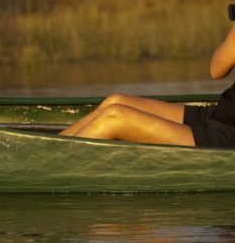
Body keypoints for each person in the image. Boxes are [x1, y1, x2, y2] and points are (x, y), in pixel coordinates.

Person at [60, 14, 235, 147]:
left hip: (226, 136)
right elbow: (217, 69)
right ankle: (45, 150)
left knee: (115, 117)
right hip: (220, 115)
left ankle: (50, 163)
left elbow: (217, 71)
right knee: (115, 102)